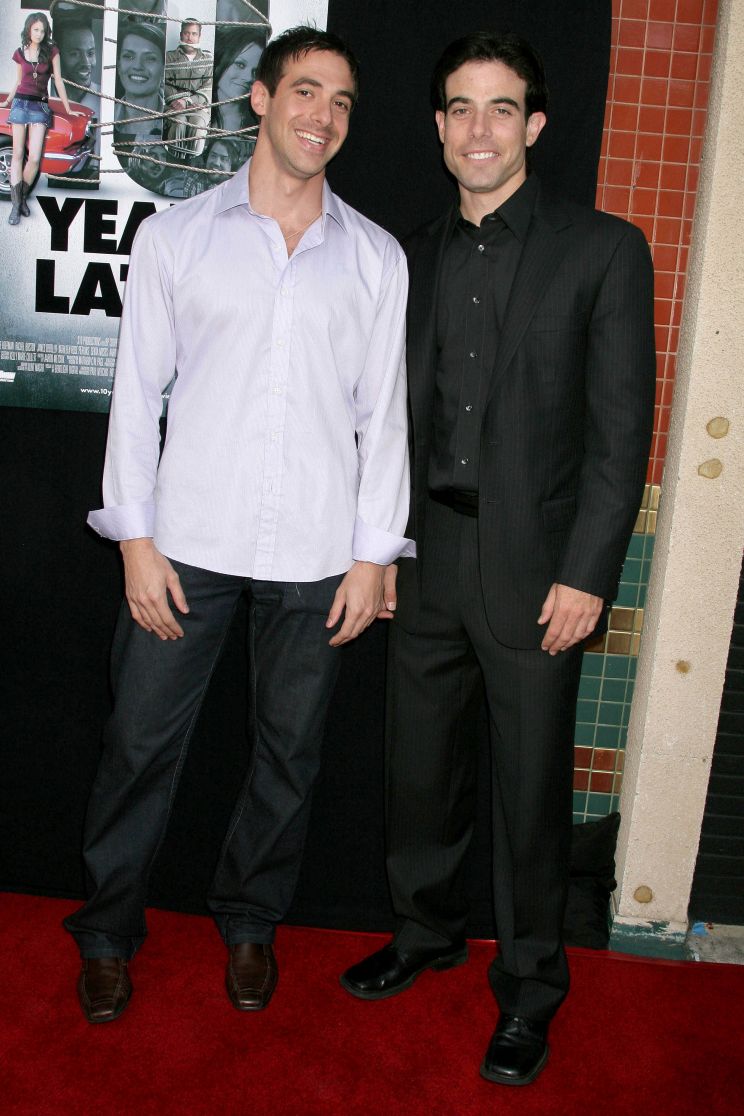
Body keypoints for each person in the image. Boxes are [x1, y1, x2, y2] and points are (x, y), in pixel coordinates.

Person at [64, 25, 413, 1026]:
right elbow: (138, 398)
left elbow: (384, 415)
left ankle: (253, 923)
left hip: (317, 555)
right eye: (305, 91)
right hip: (185, 548)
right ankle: (106, 933)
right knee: (139, 747)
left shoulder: (376, 257)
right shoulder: (177, 236)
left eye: (341, 102)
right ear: (260, 98)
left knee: (289, 757)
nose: (322, 117)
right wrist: (135, 543)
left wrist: (372, 555)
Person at [340, 31, 655, 1087]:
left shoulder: (604, 249)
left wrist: (589, 572)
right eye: (462, 109)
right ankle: (424, 933)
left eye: (502, 108)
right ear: (438, 127)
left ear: (536, 125)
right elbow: (386, 421)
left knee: (528, 793)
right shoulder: (409, 256)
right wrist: (380, 548)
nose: (480, 130)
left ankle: (528, 989)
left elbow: (621, 433)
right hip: (426, 553)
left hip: (540, 569)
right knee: (418, 773)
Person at [2, 11, 73, 224]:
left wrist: (68, 109)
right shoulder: (19, 53)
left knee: (33, 157)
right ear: (28, 30)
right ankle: (17, 206)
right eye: (35, 30)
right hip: (20, 104)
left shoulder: (52, 52)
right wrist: (7, 102)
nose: (39, 34)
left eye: (42, 30)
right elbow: (18, 82)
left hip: (40, 106)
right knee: (17, 154)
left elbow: (58, 81)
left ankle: (21, 198)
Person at [210, 27, 263, 163]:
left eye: (255, 71)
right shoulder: (194, 112)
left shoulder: (259, 127)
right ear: (221, 62)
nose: (248, 77)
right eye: (240, 65)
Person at [164, 19, 213, 160]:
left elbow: (208, 87)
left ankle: (192, 164)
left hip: (198, 107)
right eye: (186, 33)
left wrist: (189, 101)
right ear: (181, 35)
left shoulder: (207, 59)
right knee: (179, 123)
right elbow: (164, 84)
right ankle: (174, 162)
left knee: (197, 125)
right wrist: (178, 102)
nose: (190, 38)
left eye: (194, 34)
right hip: (174, 107)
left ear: (199, 36)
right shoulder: (169, 57)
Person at [114, 20, 165, 148]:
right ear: (118, 65)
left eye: (150, 58)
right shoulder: (104, 116)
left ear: (164, 68)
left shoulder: (177, 122)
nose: (137, 66)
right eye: (129, 56)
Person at [55, 14, 101, 113]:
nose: (86, 63)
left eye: (90, 53)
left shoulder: (104, 99)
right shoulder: (43, 93)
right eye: (75, 54)